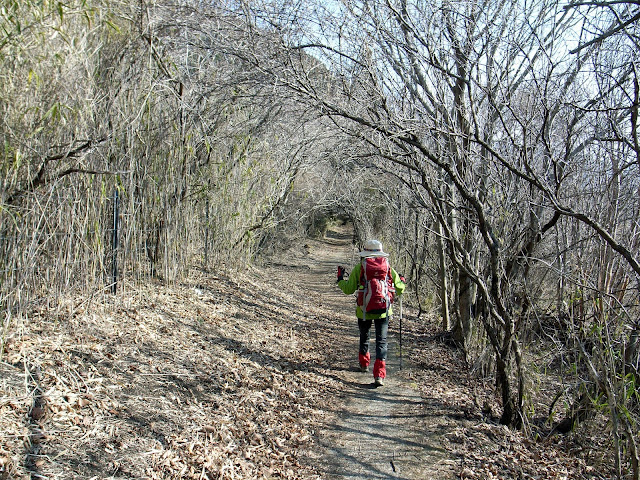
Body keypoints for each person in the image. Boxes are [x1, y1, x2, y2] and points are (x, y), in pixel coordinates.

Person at [336, 239, 406, 387]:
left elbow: (348, 289)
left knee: (364, 337)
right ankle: (379, 375)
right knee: (381, 341)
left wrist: (340, 280)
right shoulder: (387, 267)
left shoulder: (360, 267)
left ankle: (364, 364)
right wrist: (402, 280)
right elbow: (400, 289)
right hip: (383, 311)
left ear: (365, 253)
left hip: (364, 311)